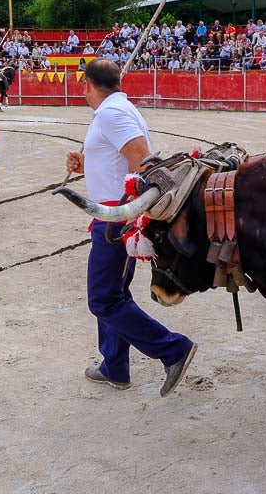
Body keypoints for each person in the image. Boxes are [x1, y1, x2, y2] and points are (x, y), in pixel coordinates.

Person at [65, 57, 197, 395]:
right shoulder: (115, 110)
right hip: (112, 213)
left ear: (87, 85)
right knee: (114, 293)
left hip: (114, 218)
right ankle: (114, 365)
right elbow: (121, 157)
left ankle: (173, 349)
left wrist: (130, 213)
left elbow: (141, 159)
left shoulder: (111, 113)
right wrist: (87, 162)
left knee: (103, 299)